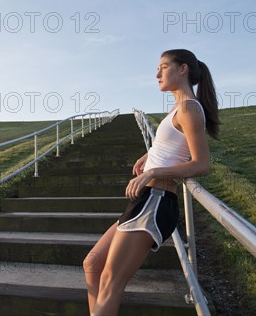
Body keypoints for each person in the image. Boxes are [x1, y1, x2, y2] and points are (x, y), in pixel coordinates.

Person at [83, 49, 220, 316]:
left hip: (156, 201)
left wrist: (152, 174)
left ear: (183, 69)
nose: (157, 74)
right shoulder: (177, 108)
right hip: (144, 200)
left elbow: (201, 164)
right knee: (92, 264)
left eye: (163, 67)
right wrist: (149, 156)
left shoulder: (190, 107)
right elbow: (173, 146)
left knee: (111, 284)